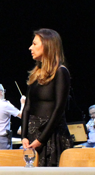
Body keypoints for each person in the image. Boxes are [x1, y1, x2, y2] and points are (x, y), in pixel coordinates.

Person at [21, 29, 72, 166]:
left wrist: (41, 139)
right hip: (34, 135)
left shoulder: (60, 72)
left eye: (34, 44)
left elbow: (59, 109)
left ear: (47, 45)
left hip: (51, 134)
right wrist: (24, 136)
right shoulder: (35, 74)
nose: (30, 48)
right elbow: (27, 107)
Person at [0, 83, 24, 150]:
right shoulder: (5, 105)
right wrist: (23, 103)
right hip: (1, 140)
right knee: (4, 159)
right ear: (1, 92)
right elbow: (22, 115)